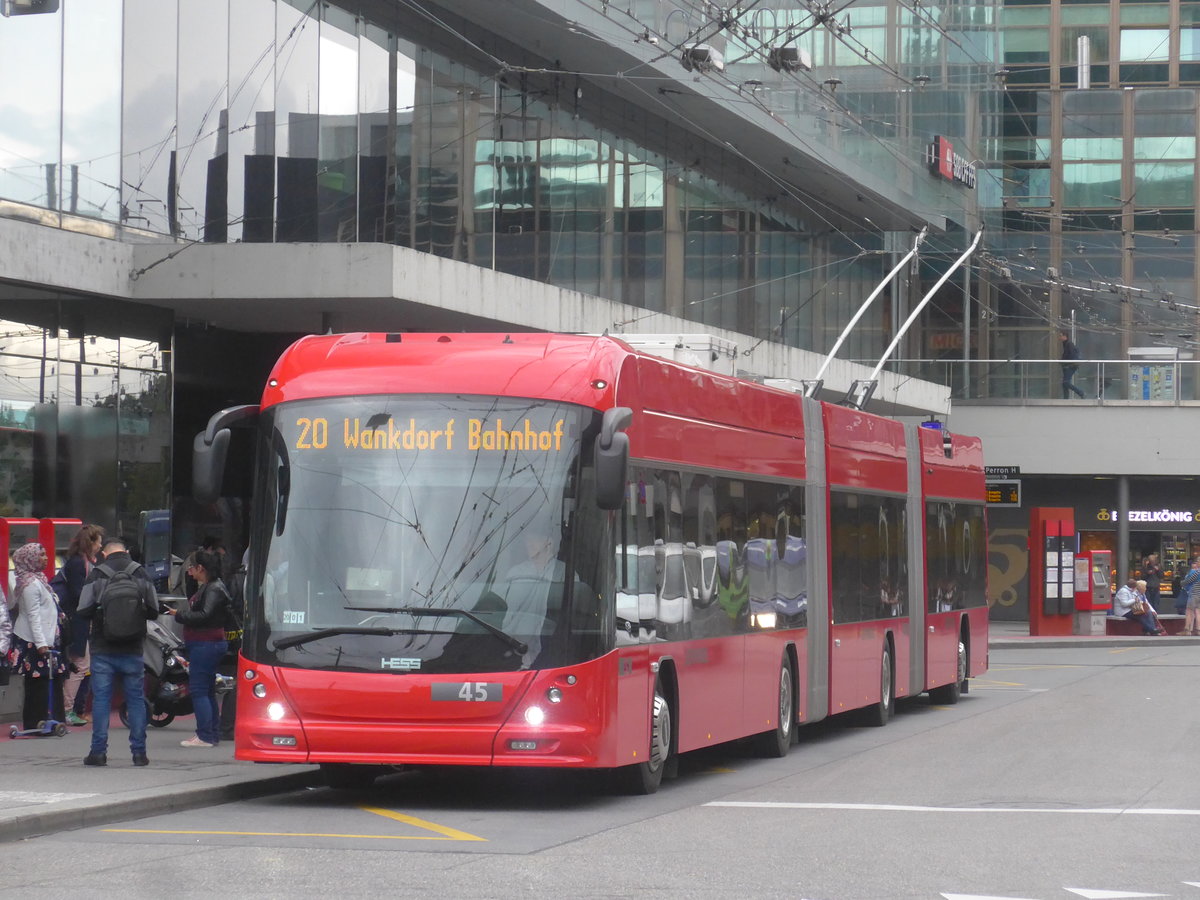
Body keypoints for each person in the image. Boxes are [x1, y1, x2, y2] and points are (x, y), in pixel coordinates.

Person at [77, 537, 159, 767]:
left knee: (101, 701)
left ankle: (98, 752)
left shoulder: (97, 574)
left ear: (105, 553)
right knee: (135, 699)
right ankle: (139, 753)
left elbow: (83, 610)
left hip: (103, 648)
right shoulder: (140, 572)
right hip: (133, 648)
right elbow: (154, 610)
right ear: (126, 551)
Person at [166, 549, 230, 748]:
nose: (189, 573)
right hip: (208, 643)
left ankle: (205, 735)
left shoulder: (212, 589)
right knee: (207, 690)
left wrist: (179, 615)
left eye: (192, 569)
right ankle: (210, 733)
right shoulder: (213, 587)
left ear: (201, 568)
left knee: (200, 690)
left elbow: (204, 615)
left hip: (205, 644)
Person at [10, 542, 68, 731]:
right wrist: (41, 643)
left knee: (51, 679)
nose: (46, 558)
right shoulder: (30, 585)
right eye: (41, 555)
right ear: (30, 559)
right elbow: (33, 616)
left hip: (46, 638)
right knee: (39, 682)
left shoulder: (39, 580)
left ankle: (54, 720)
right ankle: (37, 722)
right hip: (34, 641)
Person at [58, 524, 105, 726]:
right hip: (77, 621)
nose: (100, 545)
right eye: (98, 541)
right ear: (91, 542)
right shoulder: (79, 564)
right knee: (80, 664)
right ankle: (67, 709)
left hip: (80, 620)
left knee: (81, 664)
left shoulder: (81, 562)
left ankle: (69, 708)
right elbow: (79, 594)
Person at [1059, 330, 1085, 399]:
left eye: (1061, 336)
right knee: (1064, 384)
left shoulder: (1069, 344)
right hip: (1068, 366)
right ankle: (1066, 399)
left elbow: (1071, 355)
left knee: (1065, 382)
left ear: (1065, 336)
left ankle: (1080, 392)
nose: (1060, 337)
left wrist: (1066, 362)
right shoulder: (1066, 344)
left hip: (1070, 366)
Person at [1181, 559, 1200, 634]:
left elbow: (1189, 580)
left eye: (1198, 561)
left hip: (1194, 593)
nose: (1197, 563)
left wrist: (1181, 583)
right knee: (1198, 612)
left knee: (1189, 611)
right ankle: (1198, 630)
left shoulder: (1197, 572)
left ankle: (1187, 630)